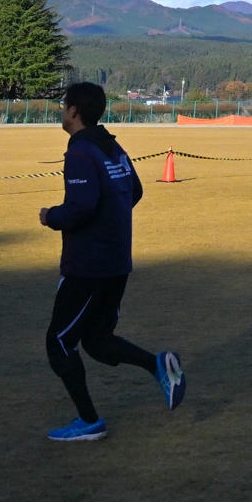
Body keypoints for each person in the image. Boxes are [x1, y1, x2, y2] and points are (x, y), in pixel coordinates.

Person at [37, 80, 184, 442]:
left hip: (88, 264)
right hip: (116, 260)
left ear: (74, 111)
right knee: (97, 340)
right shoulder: (111, 145)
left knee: (59, 342)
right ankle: (157, 365)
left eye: (63, 106)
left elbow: (81, 206)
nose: (61, 112)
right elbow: (134, 190)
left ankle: (88, 421)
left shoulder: (80, 152)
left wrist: (50, 216)